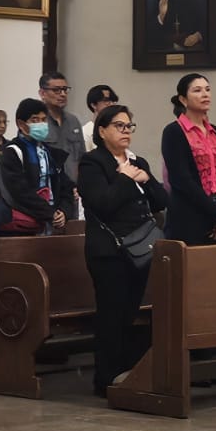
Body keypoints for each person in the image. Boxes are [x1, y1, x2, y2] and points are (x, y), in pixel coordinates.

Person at [78, 104, 166, 396]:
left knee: (129, 312)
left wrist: (146, 179)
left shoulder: (136, 160)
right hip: (108, 252)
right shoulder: (92, 163)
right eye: (119, 125)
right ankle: (105, 378)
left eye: (129, 126)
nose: (126, 131)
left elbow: (160, 200)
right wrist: (125, 178)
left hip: (138, 249)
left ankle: (125, 372)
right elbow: (102, 203)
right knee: (111, 314)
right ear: (102, 131)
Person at [160, 72, 216, 245]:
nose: (205, 94)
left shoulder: (215, 131)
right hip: (188, 214)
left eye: (208, 90)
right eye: (197, 90)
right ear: (183, 99)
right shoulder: (174, 132)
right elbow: (181, 179)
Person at [0, 98, 77, 236]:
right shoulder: (12, 152)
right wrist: (49, 213)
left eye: (44, 120)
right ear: (21, 124)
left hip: (50, 224)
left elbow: (66, 188)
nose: (41, 124)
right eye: (35, 120)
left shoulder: (51, 153)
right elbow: (20, 192)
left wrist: (63, 212)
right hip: (21, 227)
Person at [38, 71, 87, 182]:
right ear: (42, 93)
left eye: (65, 90)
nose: (63, 94)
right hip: (48, 188)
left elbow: (82, 158)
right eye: (56, 90)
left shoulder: (73, 121)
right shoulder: (37, 123)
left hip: (73, 190)